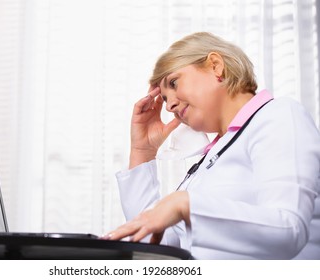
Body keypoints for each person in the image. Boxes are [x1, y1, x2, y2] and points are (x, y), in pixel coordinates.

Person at [102, 32, 320, 259]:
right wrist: (142, 151)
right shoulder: (213, 155)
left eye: (174, 83)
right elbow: (153, 243)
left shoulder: (279, 115)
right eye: (165, 99)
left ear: (216, 66)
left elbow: (288, 229)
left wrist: (185, 205)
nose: (169, 106)